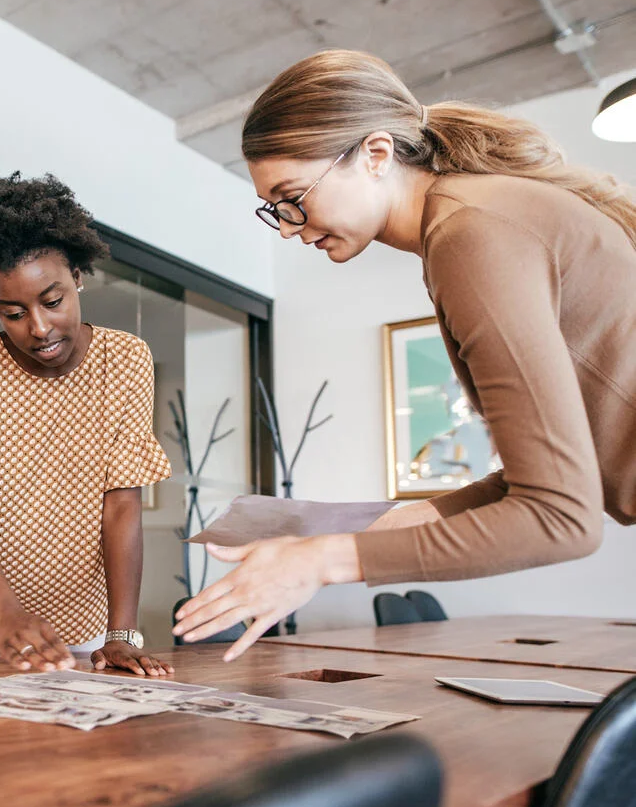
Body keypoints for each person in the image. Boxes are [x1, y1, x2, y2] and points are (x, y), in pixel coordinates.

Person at [175, 49, 636, 659]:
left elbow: (560, 518)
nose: (287, 226)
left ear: (375, 154)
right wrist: (368, 528)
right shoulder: (475, 217)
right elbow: (549, 484)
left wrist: (324, 561)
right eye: (273, 209)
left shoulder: (471, 235)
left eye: (293, 196)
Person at [0, 173, 174, 676]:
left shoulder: (124, 359)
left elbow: (122, 503)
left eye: (51, 301)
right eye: (12, 313)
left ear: (77, 275)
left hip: (91, 611)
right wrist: (1, 612)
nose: (38, 327)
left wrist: (121, 634)